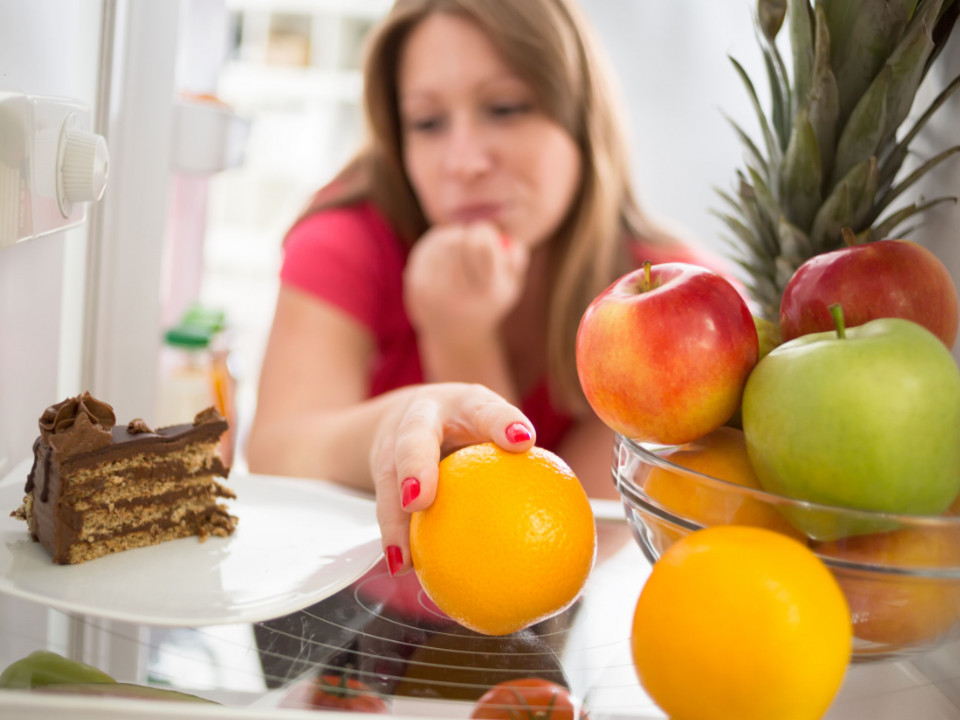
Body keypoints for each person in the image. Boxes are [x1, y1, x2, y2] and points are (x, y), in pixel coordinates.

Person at [247, 0, 711, 577]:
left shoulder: (661, 300)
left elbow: (535, 558)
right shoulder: (348, 237)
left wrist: (460, 338)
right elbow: (274, 455)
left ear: (580, 118)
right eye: (428, 122)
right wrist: (389, 429)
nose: (463, 162)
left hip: (527, 638)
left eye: (505, 108)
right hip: (333, 615)